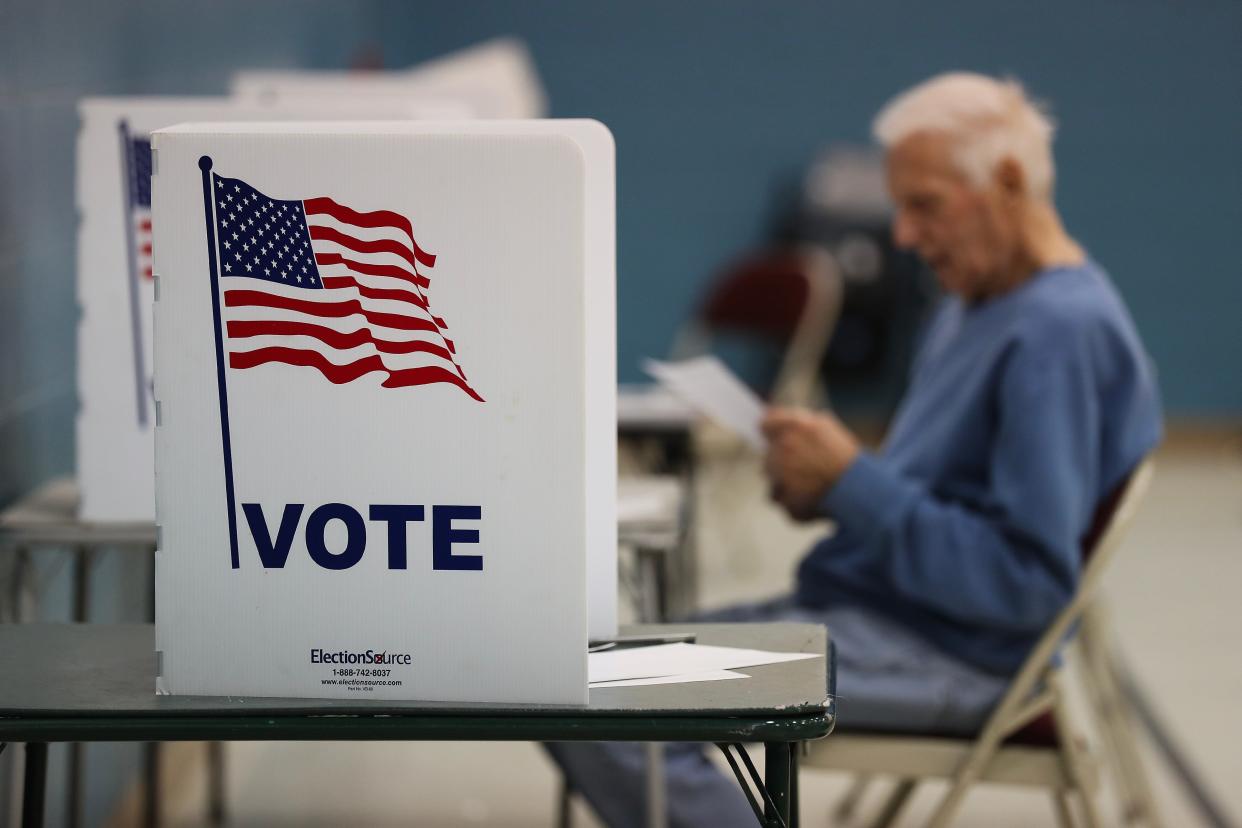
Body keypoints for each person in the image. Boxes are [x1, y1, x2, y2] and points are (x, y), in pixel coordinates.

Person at [548, 72, 1163, 828]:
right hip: (869, 616)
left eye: (924, 205)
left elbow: (1025, 586)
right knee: (583, 671)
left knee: (588, 694)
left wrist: (853, 485)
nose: (902, 236)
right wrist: (828, 487)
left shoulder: (1056, 335)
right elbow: (929, 500)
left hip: (950, 653)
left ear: (1008, 181)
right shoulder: (974, 305)